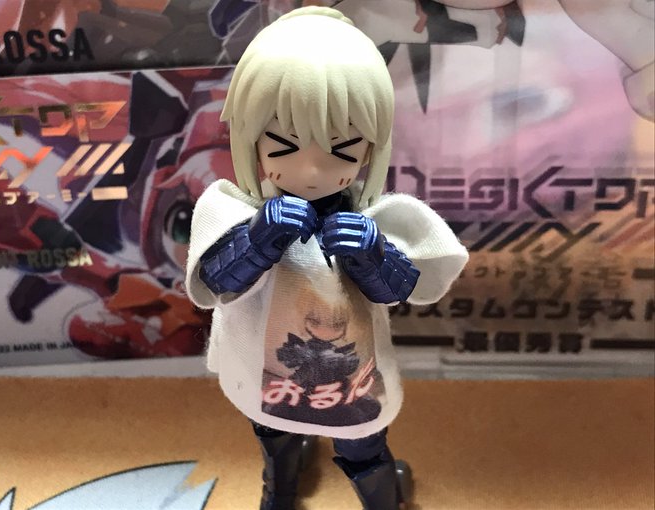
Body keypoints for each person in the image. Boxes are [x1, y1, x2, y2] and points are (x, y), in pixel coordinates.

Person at [185, 6, 468, 509]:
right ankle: (279, 489)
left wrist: (371, 252)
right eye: (283, 145)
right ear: (251, 139)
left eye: (342, 150)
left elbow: (399, 288)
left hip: (351, 378)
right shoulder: (232, 210)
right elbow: (216, 283)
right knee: (273, 434)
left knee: (363, 447)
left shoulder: (378, 218)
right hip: (268, 371)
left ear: (369, 150)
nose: (312, 170)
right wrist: (258, 240)